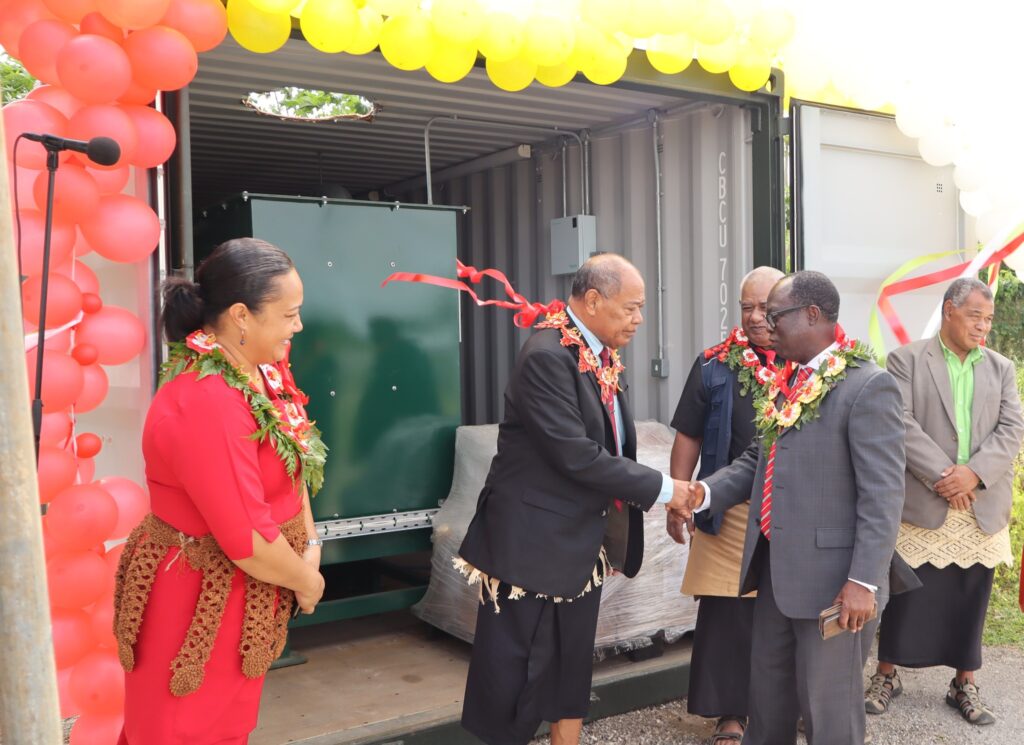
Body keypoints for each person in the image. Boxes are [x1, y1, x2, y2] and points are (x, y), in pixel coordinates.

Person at [456, 253, 693, 745]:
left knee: (569, 662)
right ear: (592, 301)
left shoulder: (596, 353)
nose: (639, 319)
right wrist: (669, 490)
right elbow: (577, 456)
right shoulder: (546, 356)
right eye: (631, 308)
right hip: (528, 547)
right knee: (512, 669)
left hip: (579, 544)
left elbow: (611, 444)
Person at [677, 270, 906, 745]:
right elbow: (755, 462)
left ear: (813, 315)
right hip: (775, 579)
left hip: (835, 590)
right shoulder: (788, 381)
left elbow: (882, 496)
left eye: (775, 314)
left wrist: (863, 581)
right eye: (758, 312)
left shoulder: (867, 387)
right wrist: (702, 492)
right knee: (768, 709)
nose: (763, 324)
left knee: (830, 719)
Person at [114, 238, 327, 745]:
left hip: (251, 591)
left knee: (227, 729)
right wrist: (308, 582)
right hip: (194, 605)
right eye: (290, 314)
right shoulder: (206, 399)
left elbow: (295, 455)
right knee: (182, 730)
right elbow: (247, 539)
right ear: (241, 316)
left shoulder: (263, 369)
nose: (298, 326)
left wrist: (311, 545)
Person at [866, 278, 1024, 725]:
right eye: (976, 316)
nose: (983, 327)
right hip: (925, 497)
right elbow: (899, 421)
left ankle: (964, 682)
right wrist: (945, 477)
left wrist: (973, 475)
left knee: (972, 590)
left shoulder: (1001, 367)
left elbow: (1012, 428)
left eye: (989, 319)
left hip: (979, 501)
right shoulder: (907, 359)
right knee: (905, 590)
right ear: (949, 310)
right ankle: (887, 674)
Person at [666, 266, 784, 744]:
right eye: (746, 308)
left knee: (785, 611)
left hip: (789, 513)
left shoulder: (811, 366)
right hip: (727, 510)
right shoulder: (714, 364)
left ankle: (785, 705)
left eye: (766, 308)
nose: (755, 317)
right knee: (727, 615)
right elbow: (688, 437)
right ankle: (731, 712)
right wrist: (678, 499)